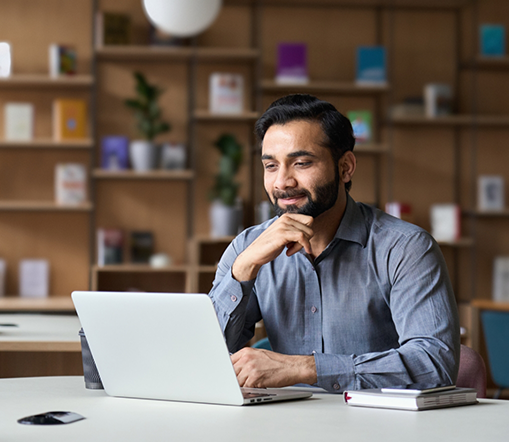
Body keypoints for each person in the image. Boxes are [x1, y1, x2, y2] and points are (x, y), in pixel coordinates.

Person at [208, 94, 460, 393]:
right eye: (271, 166)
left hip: (382, 427)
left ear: (345, 167)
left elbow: (435, 364)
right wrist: (244, 270)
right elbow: (202, 359)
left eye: (301, 163)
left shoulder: (406, 248)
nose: (282, 182)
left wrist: (307, 368)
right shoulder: (247, 247)